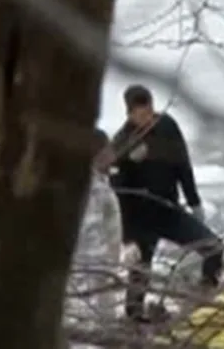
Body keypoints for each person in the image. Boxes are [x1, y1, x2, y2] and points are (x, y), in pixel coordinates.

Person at [108, 85, 224, 322]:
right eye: (141, 115)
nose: (147, 118)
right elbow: (119, 195)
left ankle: (204, 300)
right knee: (140, 275)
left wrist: (194, 202)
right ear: (129, 114)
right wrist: (128, 238)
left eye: (149, 112)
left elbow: (183, 164)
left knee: (213, 247)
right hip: (141, 220)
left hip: (169, 210)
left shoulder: (166, 126)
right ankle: (135, 321)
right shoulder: (121, 144)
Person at [73, 129, 124, 327]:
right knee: (89, 323)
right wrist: (102, 268)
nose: (113, 155)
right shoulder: (92, 188)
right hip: (91, 273)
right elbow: (89, 231)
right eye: (108, 149)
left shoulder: (102, 183)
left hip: (102, 272)